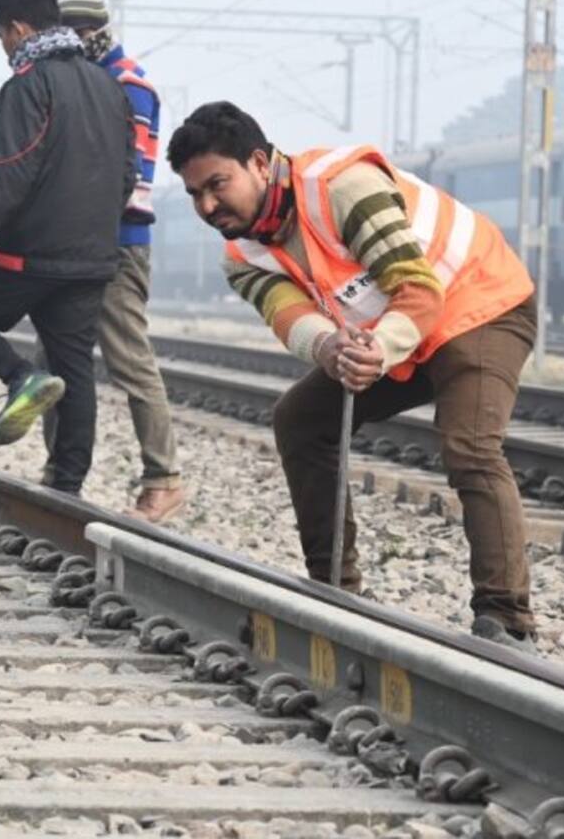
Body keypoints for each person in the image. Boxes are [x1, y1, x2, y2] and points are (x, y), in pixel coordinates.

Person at [167, 101, 538, 646]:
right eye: (194, 193)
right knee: (301, 420)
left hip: (479, 305)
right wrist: (331, 349)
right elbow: (293, 319)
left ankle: (507, 619)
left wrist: (376, 351)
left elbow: (417, 289)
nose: (207, 205)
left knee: (471, 446)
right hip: (401, 334)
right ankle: (335, 592)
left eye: (217, 184)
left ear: (260, 164)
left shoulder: (343, 188)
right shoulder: (242, 255)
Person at [0, 0, 135, 496]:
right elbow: (127, 175)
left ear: (19, 30)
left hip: (29, 255)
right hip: (92, 258)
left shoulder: (27, 85)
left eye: (1, 34)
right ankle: (67, 486)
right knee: (75, 369)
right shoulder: (108, 87)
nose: (2, 45)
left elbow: (11, 173)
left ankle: (21, 378)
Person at [58, 0, 185, 523]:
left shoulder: (129, 85)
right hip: (77, 242)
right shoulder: (88, 80)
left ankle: (164, 479)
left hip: (117, 242)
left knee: (129, 360)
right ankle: (60, 474)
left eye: (75, 33)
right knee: (56, 360)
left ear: (91, 32)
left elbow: (128, 175)